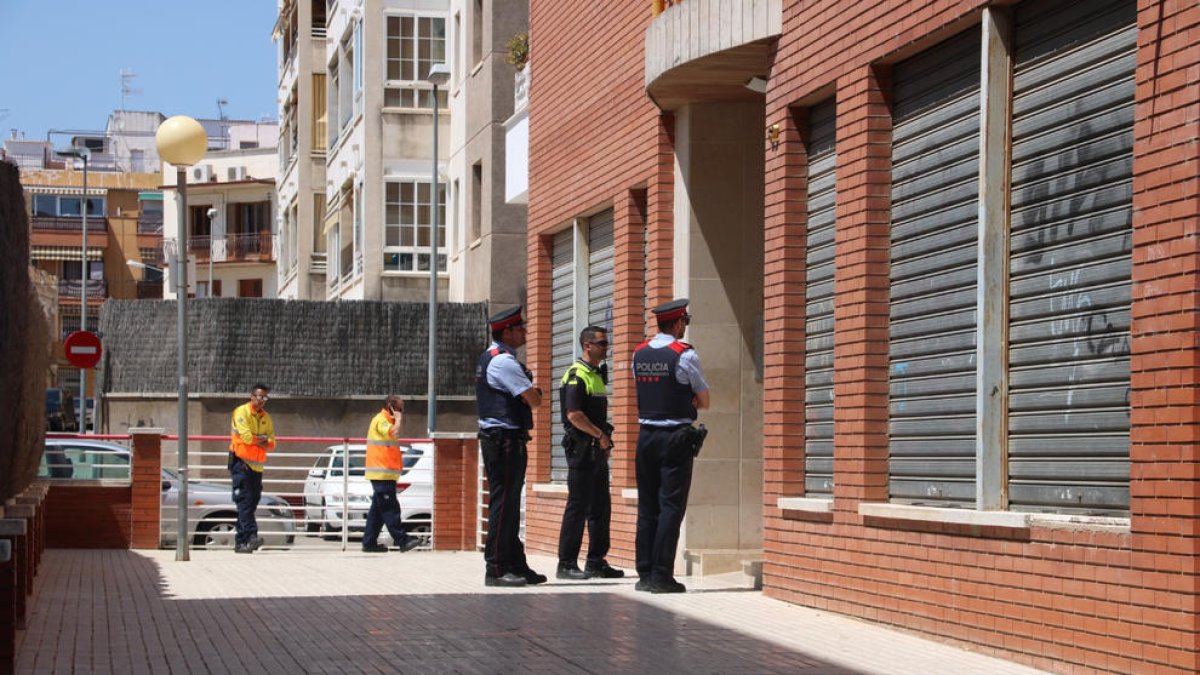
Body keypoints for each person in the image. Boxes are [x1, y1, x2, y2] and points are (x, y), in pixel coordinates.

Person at [632, 299, 710, 593]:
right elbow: (704, 401)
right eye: (685, 323)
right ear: (678, 323)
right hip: (674, 438)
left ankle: (644, 574)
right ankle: (662, 575)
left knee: (647, 506)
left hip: (645, 436)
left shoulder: (637, 354)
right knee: (670, 507)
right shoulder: (684, 355)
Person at [476, 306, 547, 587]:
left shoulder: (493, 356)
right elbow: (534, 399)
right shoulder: (503, 361)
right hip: (503, 440)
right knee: (504, 504)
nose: (525, 333)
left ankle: (516, 563)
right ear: (507, 331)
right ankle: (495, 568)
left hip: (503, 438)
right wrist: (533, 393)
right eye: (521, 329)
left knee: (509, 504)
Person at [555, 326, 624, 580]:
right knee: (578, 506)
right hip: (582, 450)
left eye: (607, 343)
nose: (607, 348)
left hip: (597, 450)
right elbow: (574, 415)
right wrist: (599, 436)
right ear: (587, 345)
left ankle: (596, 561)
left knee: (600, 507)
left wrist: (605, 441)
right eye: (603, 343)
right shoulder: (576, 374)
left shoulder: (596, 375)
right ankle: (566, 564)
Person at [362, 395, 422, 553]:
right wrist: (398, 419)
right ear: (390, 407)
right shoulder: (381, 420)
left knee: (378, 512)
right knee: (391, 509)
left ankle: (369, 543)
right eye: (399, 408)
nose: (402, 411)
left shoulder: (385, 419)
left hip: (384, 474)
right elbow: (393, 433)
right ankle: (403, 540)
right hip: (381, 474)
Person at [228, 383, 276, 554]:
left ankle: (241, 543)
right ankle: (251, 536)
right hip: (241, 463)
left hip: (256, 466)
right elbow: (246, 437)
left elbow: (272, 442)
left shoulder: (266, 417)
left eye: (265, 398)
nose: (262, 400)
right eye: (259, 396)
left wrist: (263, 440)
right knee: (245, 502)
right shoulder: (241, 412)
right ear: (252, 396)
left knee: (252, 502)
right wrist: (262, 439)